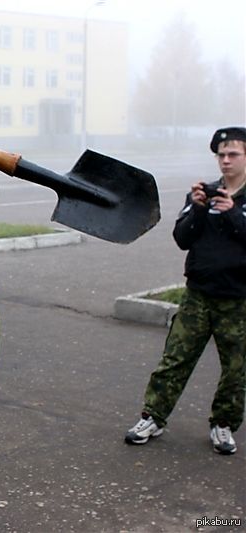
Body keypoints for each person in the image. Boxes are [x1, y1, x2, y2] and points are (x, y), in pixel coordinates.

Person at [124, 126, 246, 455]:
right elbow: (181, 238)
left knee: (236, 368)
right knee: (174, 360)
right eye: (221, 155)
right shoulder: (203, 194)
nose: (225, 160)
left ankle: (223, 424)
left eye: (233, 154)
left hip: (238, 300)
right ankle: (153, 417)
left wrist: (233, 213)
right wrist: (199, 208)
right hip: (198, 295)